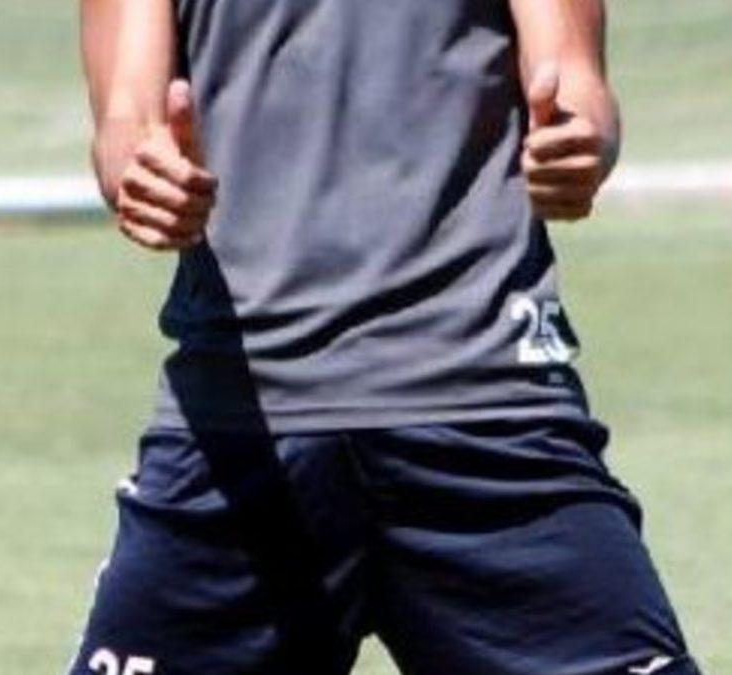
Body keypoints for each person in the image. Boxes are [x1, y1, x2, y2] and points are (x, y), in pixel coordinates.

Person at [69, 0, 700, 672]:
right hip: (240, 426)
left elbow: (576, 86)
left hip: (489, 408)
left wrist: (578, 144)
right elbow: (125, 122)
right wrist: (142, 174)